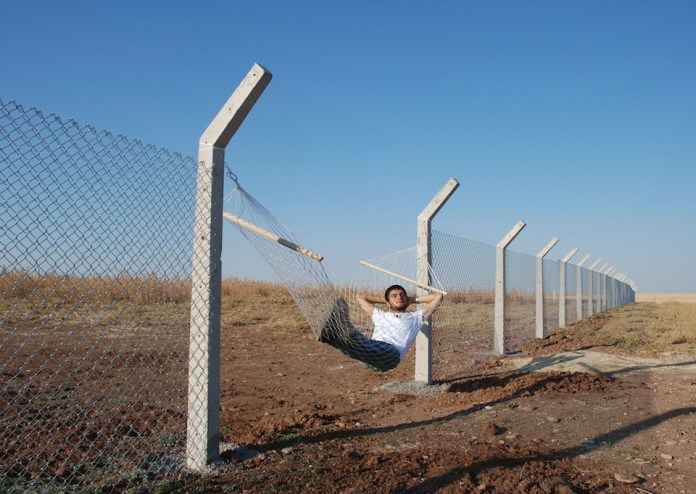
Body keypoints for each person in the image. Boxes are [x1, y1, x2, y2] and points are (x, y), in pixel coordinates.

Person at [318, 284, 444, 372]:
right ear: (388, 302)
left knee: (360, 341)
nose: (399, 297)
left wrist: (411, 299)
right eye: (394, 296)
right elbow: (361, 297)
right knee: (358, 344)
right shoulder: (379, 315)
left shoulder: (416, 317)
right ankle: (330, 337)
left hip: (391, 354)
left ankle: (345, 331)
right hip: (371, 354)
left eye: (402, 295)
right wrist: (387, 300)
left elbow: (438, 297)